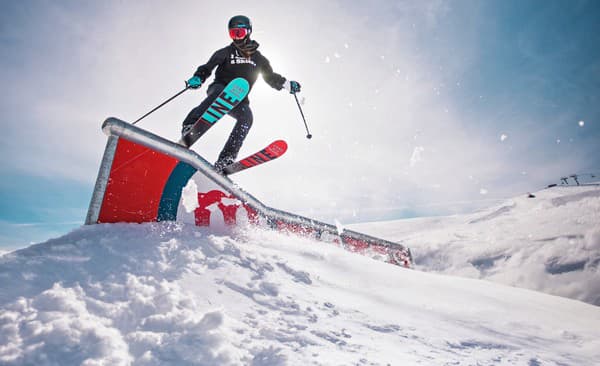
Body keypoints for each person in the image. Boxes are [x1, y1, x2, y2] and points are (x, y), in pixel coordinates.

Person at [181, 15, 301, 173]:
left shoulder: (259, 59)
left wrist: (286, 85)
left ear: (248, 32)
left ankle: (226, 159)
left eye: (240, 33)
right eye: (233, 34)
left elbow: (270, 77)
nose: (237, 37)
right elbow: (207, 67)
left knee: (247, 118)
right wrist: (198, 77)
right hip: (220, 87)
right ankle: (191, 125)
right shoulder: (225, 52)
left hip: (240, 98)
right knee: (217, 94)